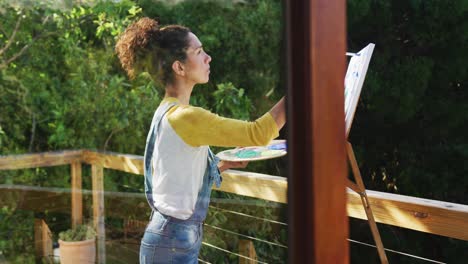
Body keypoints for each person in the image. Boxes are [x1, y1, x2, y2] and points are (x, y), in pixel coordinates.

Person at [115, 17, 286, 264]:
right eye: (198, 51)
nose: (208, 57)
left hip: (170, 239)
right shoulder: (186, 117)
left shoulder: (168, 111)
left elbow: (176, 173)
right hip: (171, 242)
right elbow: (258, 133)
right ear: (179, 68)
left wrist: (222, 164)